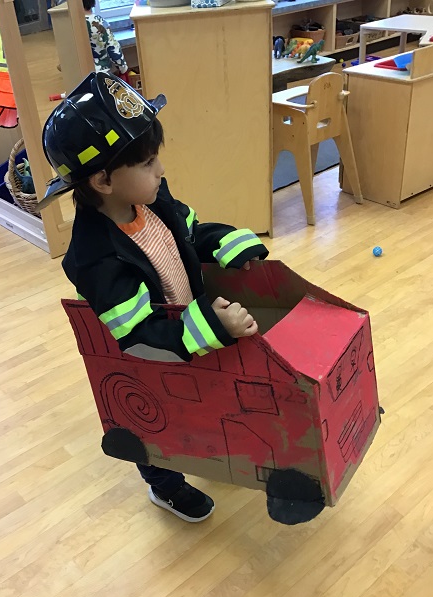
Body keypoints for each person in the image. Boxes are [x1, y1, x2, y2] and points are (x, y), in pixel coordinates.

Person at [38, 72, 268, 523]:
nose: (160, 170)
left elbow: (188, 234)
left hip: (185, 334)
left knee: (202, 401)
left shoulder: (152, 200)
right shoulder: (95, 258)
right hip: (152, 359)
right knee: (157, 423)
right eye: (146, 163)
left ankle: (203, 450)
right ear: (103, 180)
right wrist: (211, 327)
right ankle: (164, 486)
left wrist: (226, 244)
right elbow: (140, 338)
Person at [83, 0, 128, 76]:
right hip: (101, 74)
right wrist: (123, 68)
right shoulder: (99, 22)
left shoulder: (71, 24)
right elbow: (113, 50)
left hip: (79, 76)